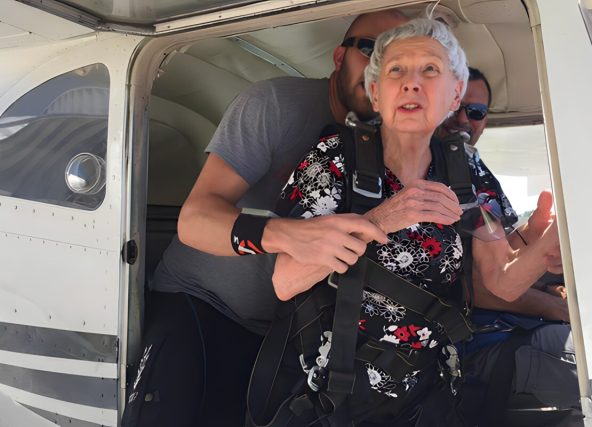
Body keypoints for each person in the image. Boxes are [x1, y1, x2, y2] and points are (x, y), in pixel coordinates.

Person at [266, 17, 561, 426]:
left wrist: (545, 250)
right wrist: (381, 218)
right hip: (333, 397)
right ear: (375, 91)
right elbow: (286, 280)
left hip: (429, 395)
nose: (411, 83)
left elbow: (501, 279)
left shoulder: (465, 172)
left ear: (455, 92)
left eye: (430, 70)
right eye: (396, 70)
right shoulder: (334, 158)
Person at [123, 10, 408, 427]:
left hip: (285, 338)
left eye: (398, 56)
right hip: (200, 306)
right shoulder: (275, 105)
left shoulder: (394, 143)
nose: (382, 67)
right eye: (371, 49)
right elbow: (196, 218)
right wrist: (289, 236)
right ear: (338, 56)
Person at [436, 67, 580, 424]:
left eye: (476, 111)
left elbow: (502, 254)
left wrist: (536, 243)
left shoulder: (474, 170)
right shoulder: (430, 173)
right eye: (452, 104)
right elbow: (481, 289)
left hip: (505, 326)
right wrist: (562, 311)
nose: (463, 119)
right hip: (473, 342)